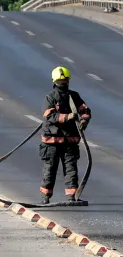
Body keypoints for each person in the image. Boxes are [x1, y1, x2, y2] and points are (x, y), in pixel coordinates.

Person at [40, 66, 91, 204]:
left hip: (70, 141)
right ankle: (46, 196)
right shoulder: (50, 97)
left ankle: (72, 196)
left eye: (65, 80)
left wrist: (84, 120)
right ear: (55, 81)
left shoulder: (73, 96)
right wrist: (68, 116)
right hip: (52, 141)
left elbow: (85, 110)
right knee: (50, 169)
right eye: (61, 80)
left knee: (71, 168)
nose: (63, 82)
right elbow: (49, 117)